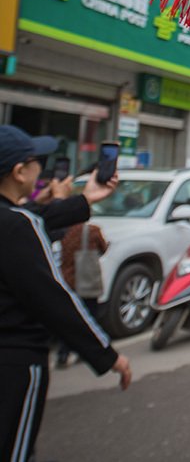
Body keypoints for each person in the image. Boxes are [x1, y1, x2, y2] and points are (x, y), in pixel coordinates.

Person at [0, 125, 132, 461]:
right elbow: (54, 301)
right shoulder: (17, 225)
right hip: (15, 365)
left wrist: (85, 199)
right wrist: (106, 354)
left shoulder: (18, 219)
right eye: (37, 162)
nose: (41, 171)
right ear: (19, 172)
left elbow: (33, 216)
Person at [55, 220, 110, 367]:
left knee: (68, 320)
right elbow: (103, 249)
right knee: (90, 317)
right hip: (86, 279)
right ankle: (89, 353)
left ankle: (62, 354)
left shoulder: (63, 231)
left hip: (67, 280)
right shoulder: (92, 231)